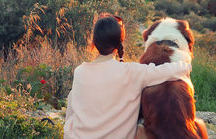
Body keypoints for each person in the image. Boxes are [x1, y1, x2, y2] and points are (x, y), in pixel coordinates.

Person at [64, 13, 192, 139]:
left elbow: (72, 112)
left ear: (94, 41)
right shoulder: (133, 72)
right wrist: (185, 64)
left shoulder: (80, 72)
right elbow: (171, 70)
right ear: (120, 41)